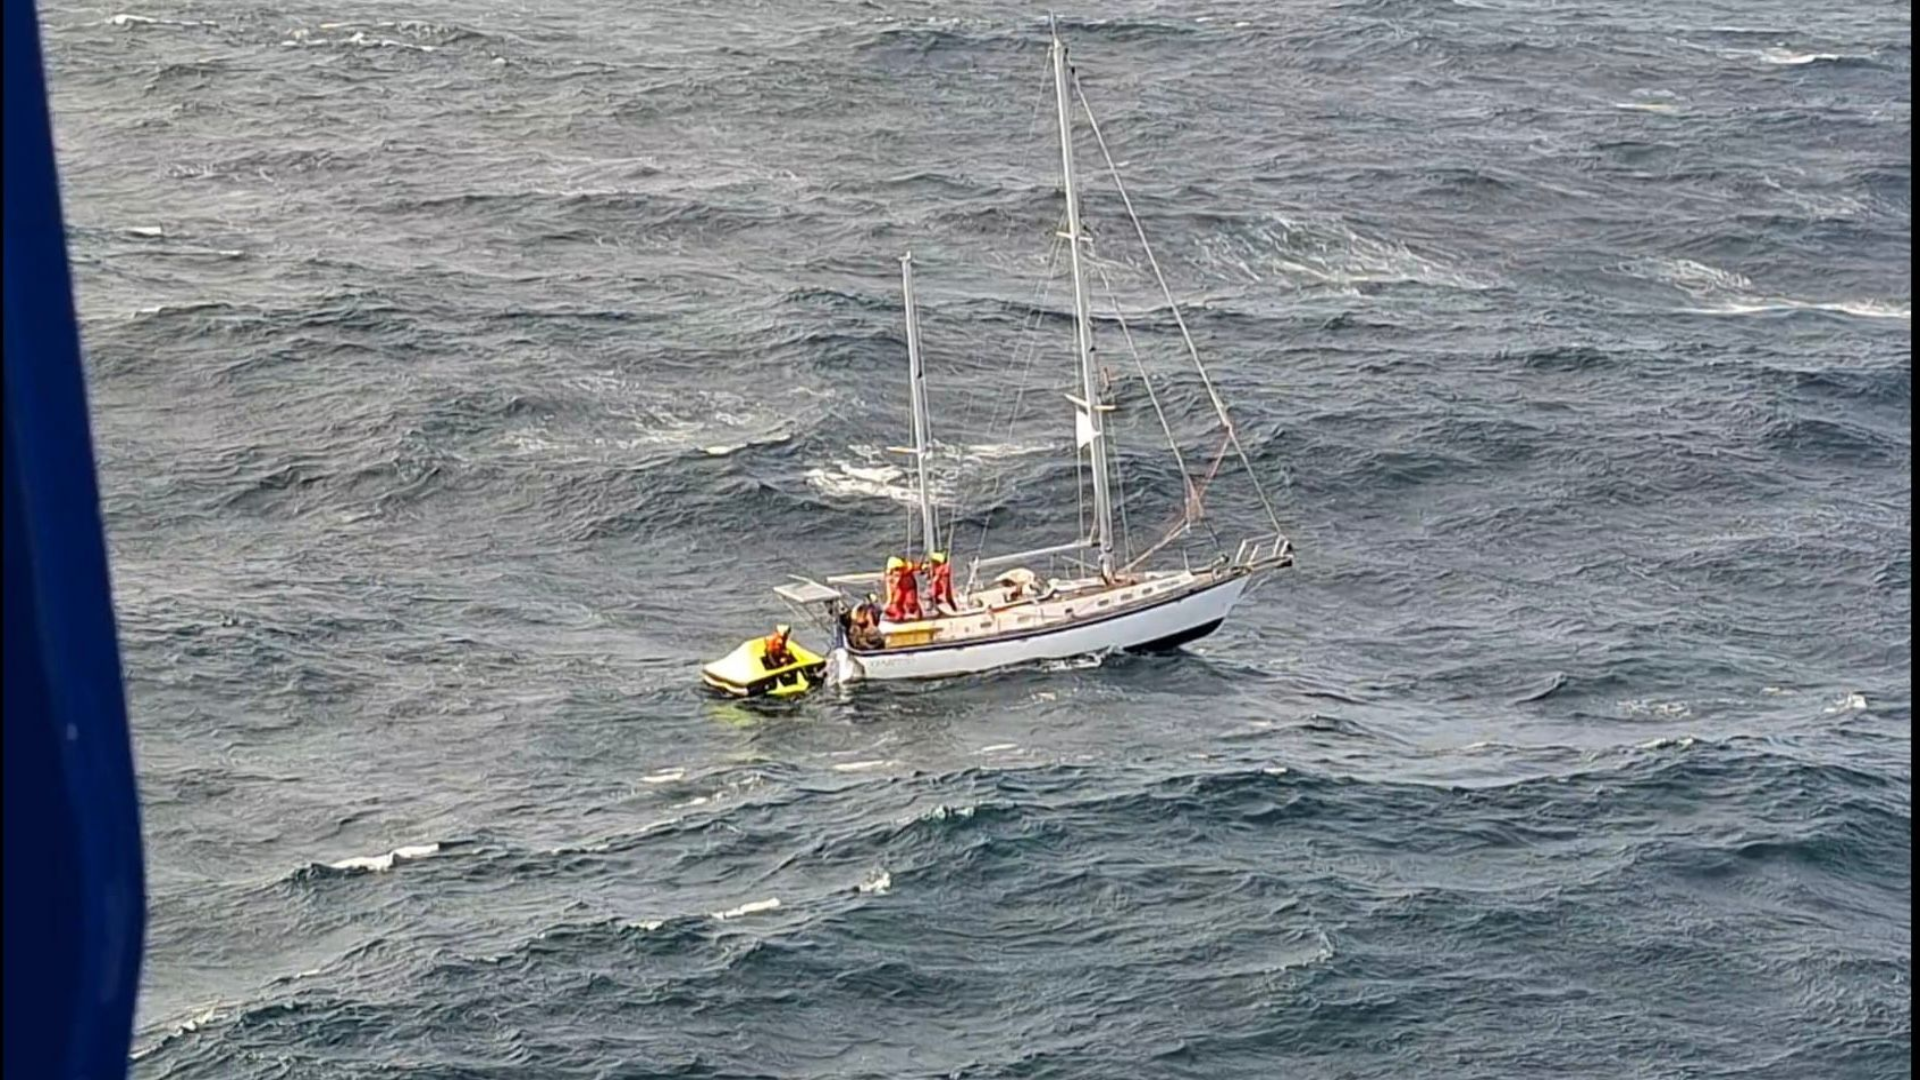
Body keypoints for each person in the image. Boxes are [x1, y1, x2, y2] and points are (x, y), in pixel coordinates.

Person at [883, 554, 922, 621]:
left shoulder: (908, 568)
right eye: (895, 570)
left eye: (898, 569)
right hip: (899, 588)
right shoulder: (890, 575)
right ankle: (899, 615)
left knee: (911, 602)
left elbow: (917, 566)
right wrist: (889, 600)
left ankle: (917, 613)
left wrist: (923, 567)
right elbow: (889, 587)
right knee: (896, 602)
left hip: (909, 588)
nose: (897, 571)